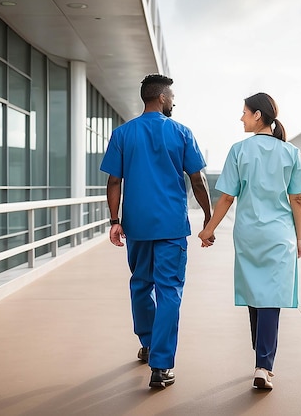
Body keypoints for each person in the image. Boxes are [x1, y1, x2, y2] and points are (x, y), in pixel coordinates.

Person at [100, 74, 213, 389]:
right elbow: (198, 180)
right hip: (171, 227)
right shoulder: (181, 132)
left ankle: (148, 342)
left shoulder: (122, 134)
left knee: (140, 285)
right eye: (172, 97)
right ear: (162, 98)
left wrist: (114, 221)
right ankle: (161, 366)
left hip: (136, 226)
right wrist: (208, 216)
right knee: (169, 292)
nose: (174, 102)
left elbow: (113, 182)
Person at [198, 92, 301, 390]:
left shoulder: (239, 151)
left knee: (255, 292)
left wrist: (209, 229)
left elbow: (226, 197)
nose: (241, 117)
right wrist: (299, 237)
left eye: (245, 112)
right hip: (279, 235)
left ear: (257, 115)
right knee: (270, 296)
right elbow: (297, 199)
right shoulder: (290, 153)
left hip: (248, 233)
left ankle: (260, 357)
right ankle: (264, 364)